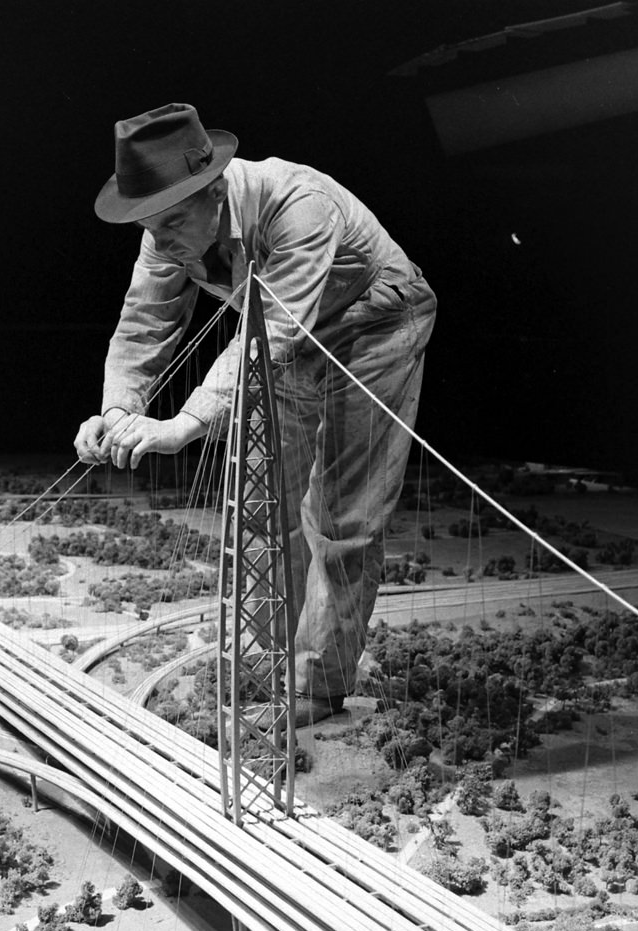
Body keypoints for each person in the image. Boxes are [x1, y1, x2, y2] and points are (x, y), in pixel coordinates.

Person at [75, 103, 436, 724]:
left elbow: (274, 331)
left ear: (216, 191)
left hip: (375, 325)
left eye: (169, 223)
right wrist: (116, 412)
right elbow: (143, 325)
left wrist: (184, 424)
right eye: (148, 225)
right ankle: (266, 662)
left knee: (342, 516)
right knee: (266, 501)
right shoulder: (169, 228)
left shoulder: (300, 204)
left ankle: (318, 686)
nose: (158, 241)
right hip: (282, 341)